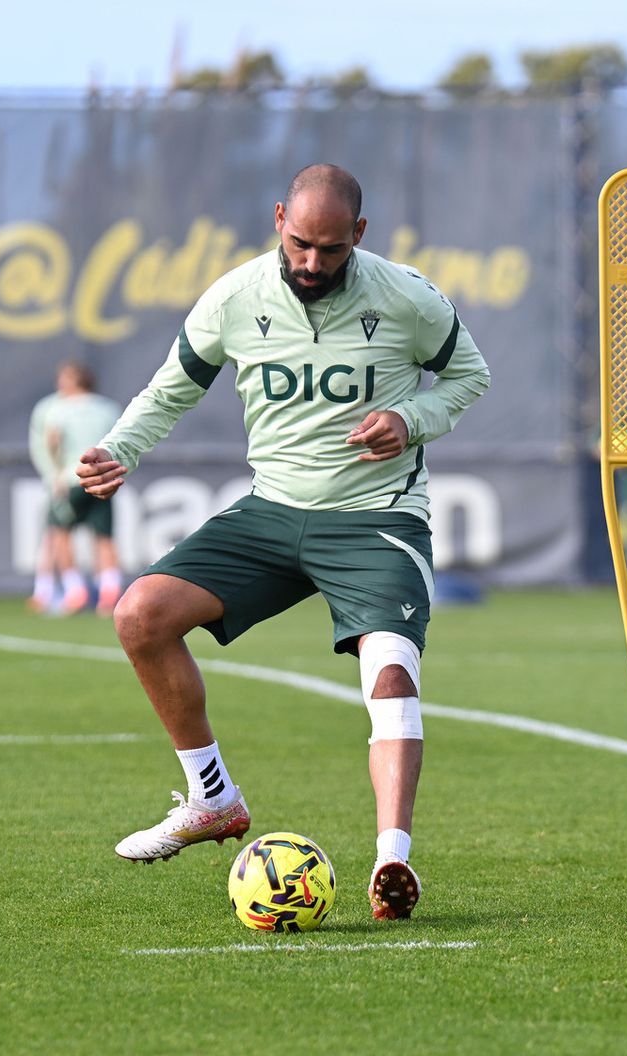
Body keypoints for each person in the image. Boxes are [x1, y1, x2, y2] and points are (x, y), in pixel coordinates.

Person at [76, 163, 489, 920]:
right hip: (272, 513)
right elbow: (171, 389)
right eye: (300, 244)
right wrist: (120, 451)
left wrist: (412, 419)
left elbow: (468, 374)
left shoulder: (405, 296)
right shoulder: (235, 298)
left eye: (330, 250)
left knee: (390, 674)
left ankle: (392, 863)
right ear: (277, 220)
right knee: (140, 615)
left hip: (376, 519)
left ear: (358, 236)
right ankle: (213, 800)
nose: (311, 263)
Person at [27, 362, 124, 616]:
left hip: (72, 478)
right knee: (105, 537)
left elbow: (52, 441)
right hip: (103, 479)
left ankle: (75, 591)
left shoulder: (58, 408)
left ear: (72, 382)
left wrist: (55, 473)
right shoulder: (108, 408)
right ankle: (109, 594)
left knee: (60, 534)